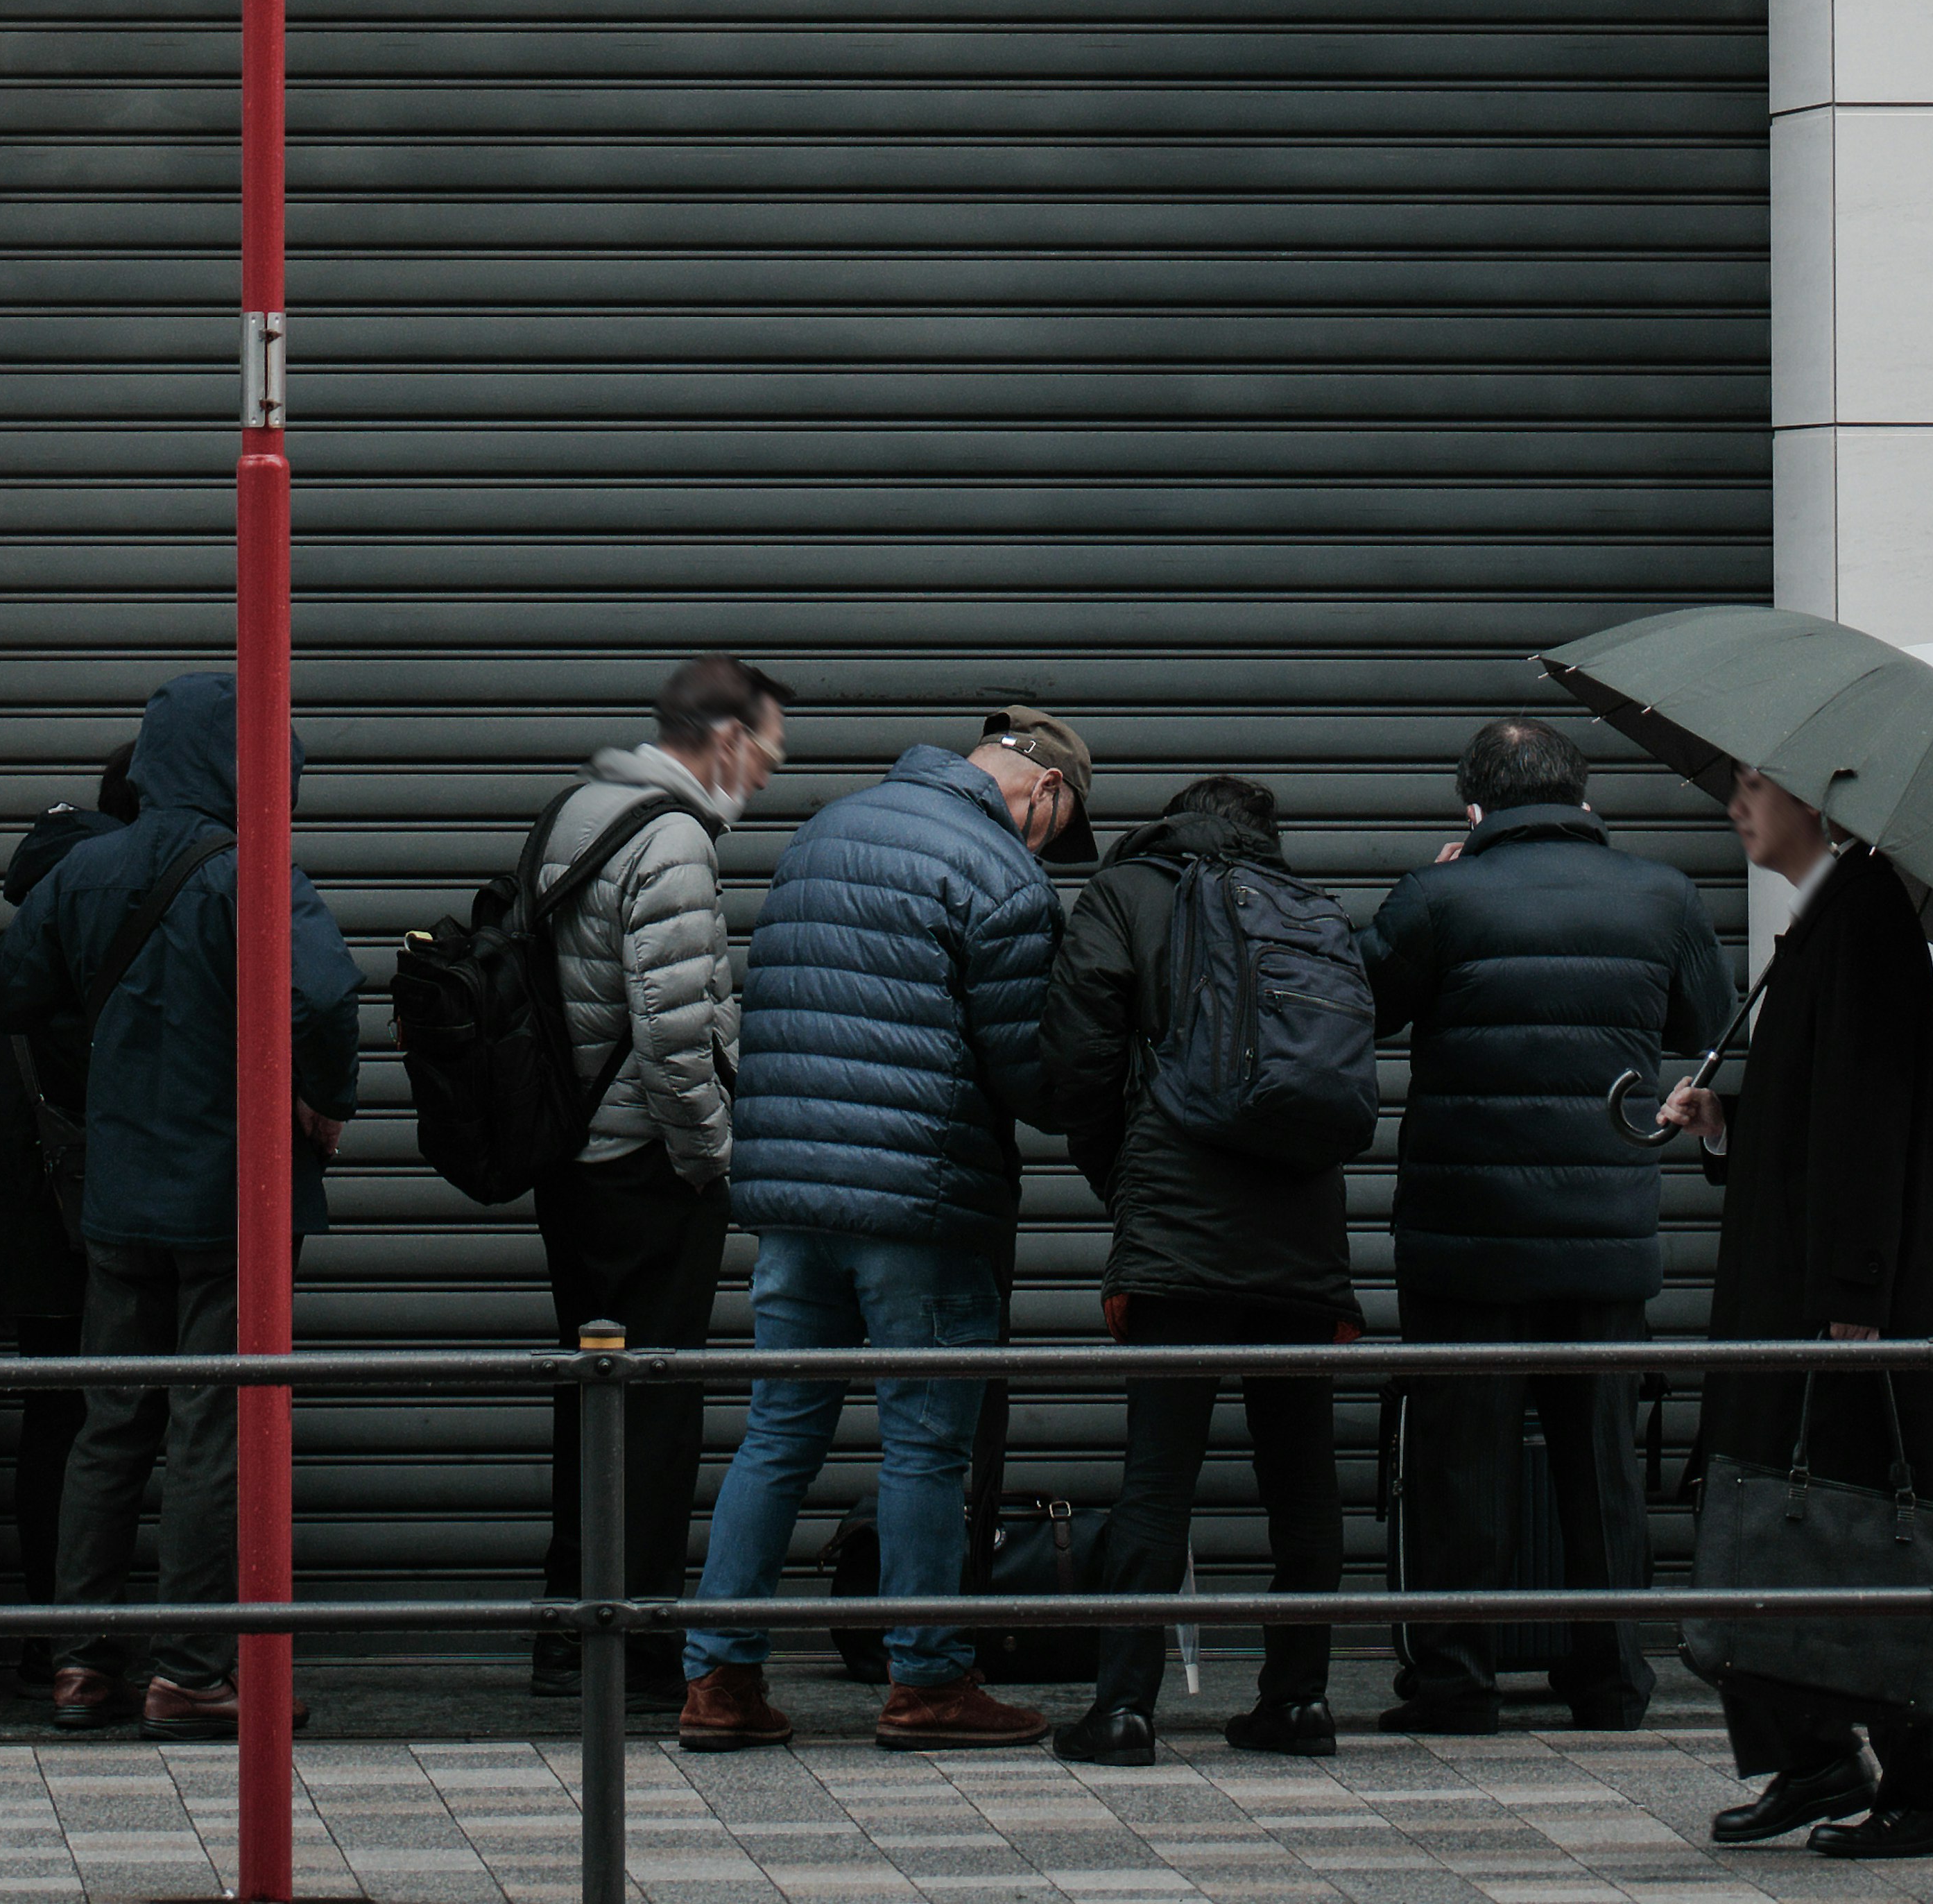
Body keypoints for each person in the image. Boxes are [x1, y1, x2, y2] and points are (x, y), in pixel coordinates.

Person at [678, 705, 1093, 1757]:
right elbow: (1024, 1069)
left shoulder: (825, 833)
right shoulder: (1000, 874)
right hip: (920, 1200)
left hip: (792, 1196)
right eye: (1062, 823)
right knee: (923, 1444)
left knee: (778, 1431)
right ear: (1043, 791)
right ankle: (929, 1682)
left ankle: (719, 1680)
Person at [0, 669, 362, 1741]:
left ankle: (81, 1667)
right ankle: (192, 1672)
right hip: (233, 1198)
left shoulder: (89, 869)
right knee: (212, 1429)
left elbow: (10, 988)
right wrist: (324, 1100)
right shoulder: (255, 874)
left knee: (109, 1428)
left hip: (118, 1196)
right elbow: (326, 995)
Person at [1359, 715, 1733, 1735]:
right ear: (1585, 799)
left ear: (1473, 808)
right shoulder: (1662, 894)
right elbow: (1707, 1024)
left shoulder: (1440, 894)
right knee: (1602, 1461)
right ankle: (1611, 1680)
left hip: (1463, 1232)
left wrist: (1435, 890)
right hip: (1606, 1223)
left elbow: (1364, 1003)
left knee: (1459, 1462)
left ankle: (1455, 1684)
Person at [1661, 768, 1933, 1860]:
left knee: (1851, 1530)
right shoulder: (1826, 920)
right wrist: (1727, 1118)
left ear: (1815, 799)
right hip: (1794, 1286)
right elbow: (1814, 1112)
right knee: (1766, 1518)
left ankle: (1931, 1785)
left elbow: (1870, 1119)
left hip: (1843, 1302)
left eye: (1755, 786)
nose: (1735, 805)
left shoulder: (1866, 918)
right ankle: (1813, 1759)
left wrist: (1854, 1298)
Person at [1038, 772, 1364, 1768]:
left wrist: (1127, 1185)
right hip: (1304, 1236)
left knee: (1157, 1480)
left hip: (1179, 1233)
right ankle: (1299, 1700)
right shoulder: (1313, 914)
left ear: (1173, 820)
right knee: (1304, 1481)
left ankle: (1125, 1712)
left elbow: (1077, 1069)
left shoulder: (1128, 894)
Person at [529, 656, 790, 1706]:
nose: (767, 776)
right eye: (767, 753)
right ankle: (630, 1646)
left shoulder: (576, 810)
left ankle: (566, 1633)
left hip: (572, 1160)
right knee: (652, 1413)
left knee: (589, 1405)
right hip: (644, 1168)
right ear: (724, 739)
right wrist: (711, 1162)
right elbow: (677, 1039)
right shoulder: (673, 839)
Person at [0, 743, 138, 1688]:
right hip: (88, 1210)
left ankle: (56, 1636)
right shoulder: (106, 903)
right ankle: (75, 1639)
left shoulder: (45, 897)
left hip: (28, 1207)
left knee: (57, 1413)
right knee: (103, 1422)